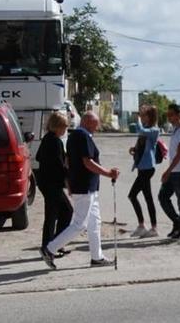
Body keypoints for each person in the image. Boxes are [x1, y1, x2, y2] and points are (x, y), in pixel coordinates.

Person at [41, 112, 119, 269]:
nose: (97, 128)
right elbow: (87, 162)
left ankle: (97, 257)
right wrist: (108, 173)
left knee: (94, 222)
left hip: (85, 186)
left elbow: (68, 161)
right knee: (80, 224)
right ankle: (49, 249)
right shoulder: (83, 136)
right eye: (96, 124)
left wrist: (69, 182)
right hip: (85, 187)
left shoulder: (73, 137)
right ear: (88, 122)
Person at [35, 112, 73, 259]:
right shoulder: (55, 141)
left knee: (54, 214)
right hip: (52, 183)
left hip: (46, 182)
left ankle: (53, 244)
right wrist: (69, 178)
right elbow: (58, 165)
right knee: (65, 212)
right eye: (64, 126)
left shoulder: (47, 139)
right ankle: (51, 246)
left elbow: (39, 157)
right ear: (57, 127)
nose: (65, 130)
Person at [159, 104, 180, 240]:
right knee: (163, 197)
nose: (169, 117)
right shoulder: (176, 130)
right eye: (168, 114)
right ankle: (178, 223)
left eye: (171, 114)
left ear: (179, 114)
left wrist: (167, 171)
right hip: (174, 171)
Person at [127, 105, 160, 238]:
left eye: (144, 115)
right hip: (142, 167)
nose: (142, 117)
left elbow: (139, 130)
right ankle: (145, 226)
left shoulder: (154, 130)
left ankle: (151, 227)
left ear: (150, 116)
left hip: (147, 168)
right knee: (142, 196)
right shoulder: (147, 129)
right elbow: (143, 146)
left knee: (135, 195)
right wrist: (134, 149)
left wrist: (138, 118)